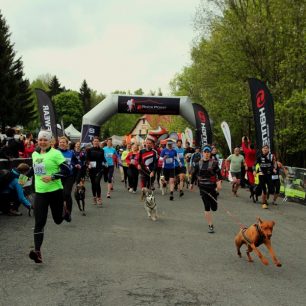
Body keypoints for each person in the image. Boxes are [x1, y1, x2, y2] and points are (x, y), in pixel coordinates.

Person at [29, 130, 71, 263]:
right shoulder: (34, 153)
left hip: (55, 191)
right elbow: (33, 169)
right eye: (40, 139)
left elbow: (67, 170)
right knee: (39, 222)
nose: (42, 142)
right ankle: (37, 252)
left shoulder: (56, 153)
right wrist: (22, 178)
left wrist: (53, 176)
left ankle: (64, 211)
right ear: (37, 140)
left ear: (50, 141)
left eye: (45, 140)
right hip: (40, 193)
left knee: (58, 220)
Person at [193, 145, 223, 233]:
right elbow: (194, 174)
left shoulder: (214, 163)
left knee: (214, 208)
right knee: (207, 206)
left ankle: (214, 199)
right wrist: (191, 184)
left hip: (212, 188)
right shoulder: (198, 163)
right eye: (205, 152)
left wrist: (219, 183)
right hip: (203, 188)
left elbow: (219, 175)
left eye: (208, 152)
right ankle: (210, 225)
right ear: (202, 153)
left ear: (210, 153)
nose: (206, 154)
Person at [58, 136, 80, 219]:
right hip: (58, 176)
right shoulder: (55, 152)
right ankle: (62, 210)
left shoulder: (71, 153)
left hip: (69, 176)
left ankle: (68, 213)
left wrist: (77, 165)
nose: (62, 144)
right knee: (60, 195)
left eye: (64, 142)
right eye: (60, 142)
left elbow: (75, 162)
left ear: (67, 144)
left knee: (67, 193)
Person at [253, 145, 275, 209]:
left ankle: (264, 198)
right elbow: (255, 164)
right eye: (264, 148)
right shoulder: (259, 156)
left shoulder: (271, 156)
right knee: (264, 189)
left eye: (266, 148)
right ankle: (264, 203)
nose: (265, 149)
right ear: (262, 149)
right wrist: (254, 170)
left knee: (271, 189)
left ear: (268, 150)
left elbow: (274, 164)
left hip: (268, 175)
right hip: (261, 174)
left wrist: (273, 169)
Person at [86, 136, 106, 206]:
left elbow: (103, 159)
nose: (96, 142)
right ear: (92, 142)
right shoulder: (89, 150)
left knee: (97, 182)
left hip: (99, 169)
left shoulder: (102, 150)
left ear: (99, 142)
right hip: (92, 169)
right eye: (95, 141)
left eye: (97, 141)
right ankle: (94, 196)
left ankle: (99, 198)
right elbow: (87, 159)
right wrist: (88, 164)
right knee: (93, 183)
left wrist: (105, 163)